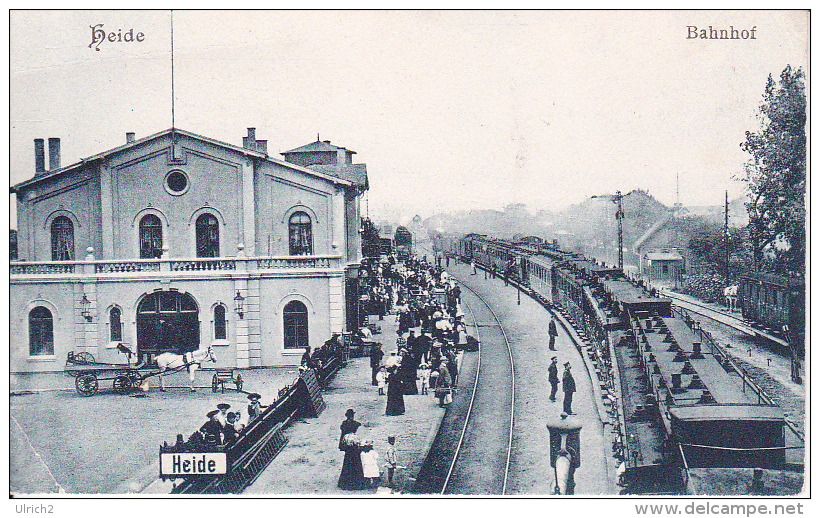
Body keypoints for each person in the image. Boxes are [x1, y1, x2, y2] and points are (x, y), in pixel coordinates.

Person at [338, 409, 365, 490]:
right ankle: (357, 483)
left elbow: (342, 435)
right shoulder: (355, 424)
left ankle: (346, 483)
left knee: (347, 464)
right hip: (354, 447)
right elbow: (359, 424)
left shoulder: (344, 424)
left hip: (348, 447)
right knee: (356, 463)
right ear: (352, 416)